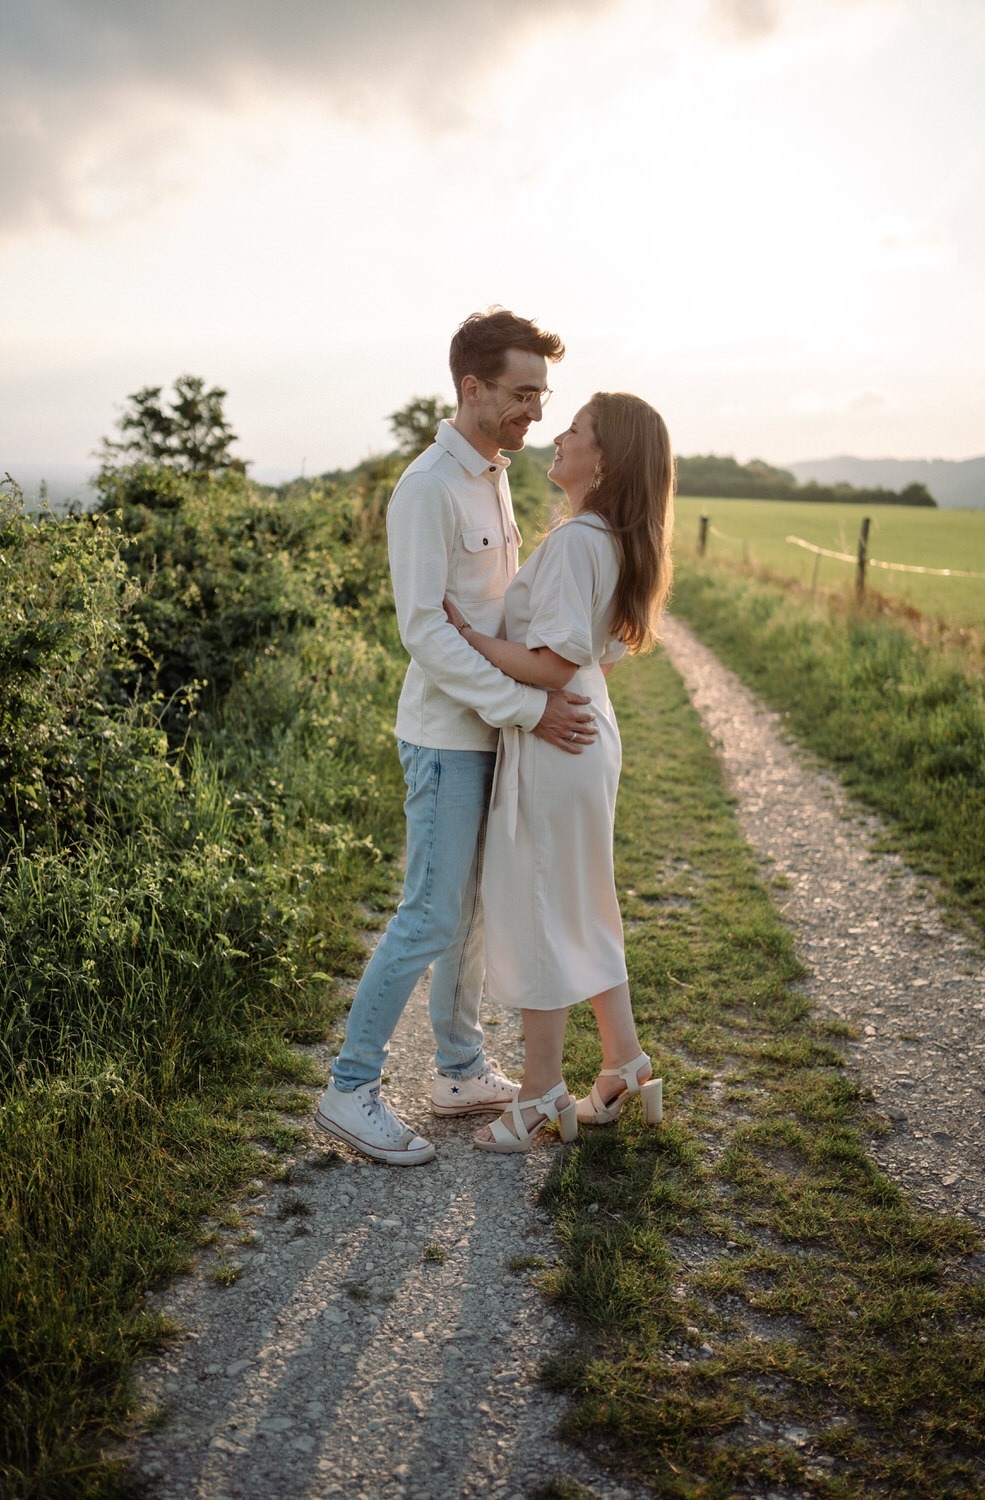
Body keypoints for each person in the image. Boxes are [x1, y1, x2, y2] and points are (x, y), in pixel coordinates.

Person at [316, 309, 598, 1165]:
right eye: (521, 395)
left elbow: (486, 610)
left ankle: (458, 1069)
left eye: (543, 396)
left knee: (472, 914)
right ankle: (349, 1089)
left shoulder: (494, 473)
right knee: (430, 914)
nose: (536, 413)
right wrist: (528, 705)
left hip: (490, 732)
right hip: (447, 736)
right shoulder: (427, 487)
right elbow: (425, 632)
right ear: (471, 388)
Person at [442, 392, 674, 1153]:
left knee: (542, 908)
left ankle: (542, 1095)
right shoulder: (602, 536)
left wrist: (469, 636)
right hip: (582, 729)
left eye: (575, 429)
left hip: (558, 733)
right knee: (582, 902)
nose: (559, 436)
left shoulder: (579, 540)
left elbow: (555, 662)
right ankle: (624, 1063)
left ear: (603, 459)